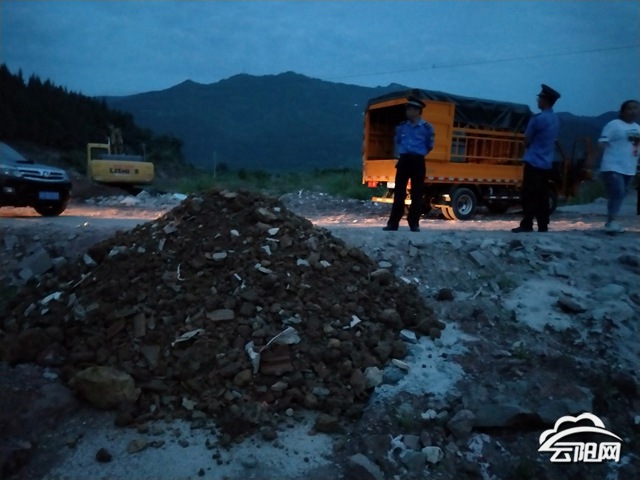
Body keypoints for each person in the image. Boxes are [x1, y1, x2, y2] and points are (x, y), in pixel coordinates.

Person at [512, 84, 561, 233]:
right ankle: (543, 225)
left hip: (533, 162)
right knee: (542, 196)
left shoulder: (537, 119)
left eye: (540, 98)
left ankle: (527, 224)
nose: (538, 101)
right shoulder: (555, 120)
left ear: (545, 100)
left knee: (529, 195)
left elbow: (527, 140)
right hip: (546, 164)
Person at [383, 96, 435, 232]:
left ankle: (414, 223)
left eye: (410, 109)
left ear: (418, 111)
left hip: (418, 161)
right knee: (399, 192)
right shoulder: (401, 127)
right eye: (407, 109)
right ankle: (393, 223)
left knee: (416, 194)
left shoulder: (427, 128)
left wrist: (418, 154)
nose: (407, 111)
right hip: (404, 160)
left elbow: (429, 145)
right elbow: (398, 141)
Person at [596, 99, 640, 233]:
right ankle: (611, 221)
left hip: (630, 167)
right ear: (623, 111)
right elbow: (602, 142)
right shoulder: (614, 125)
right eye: (629, 108)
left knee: (621, 194)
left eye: (636, 108)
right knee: (618, 191)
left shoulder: (637, 128)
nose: (633, 111)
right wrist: (595, 158)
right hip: (613, 165)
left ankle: (612, 221)